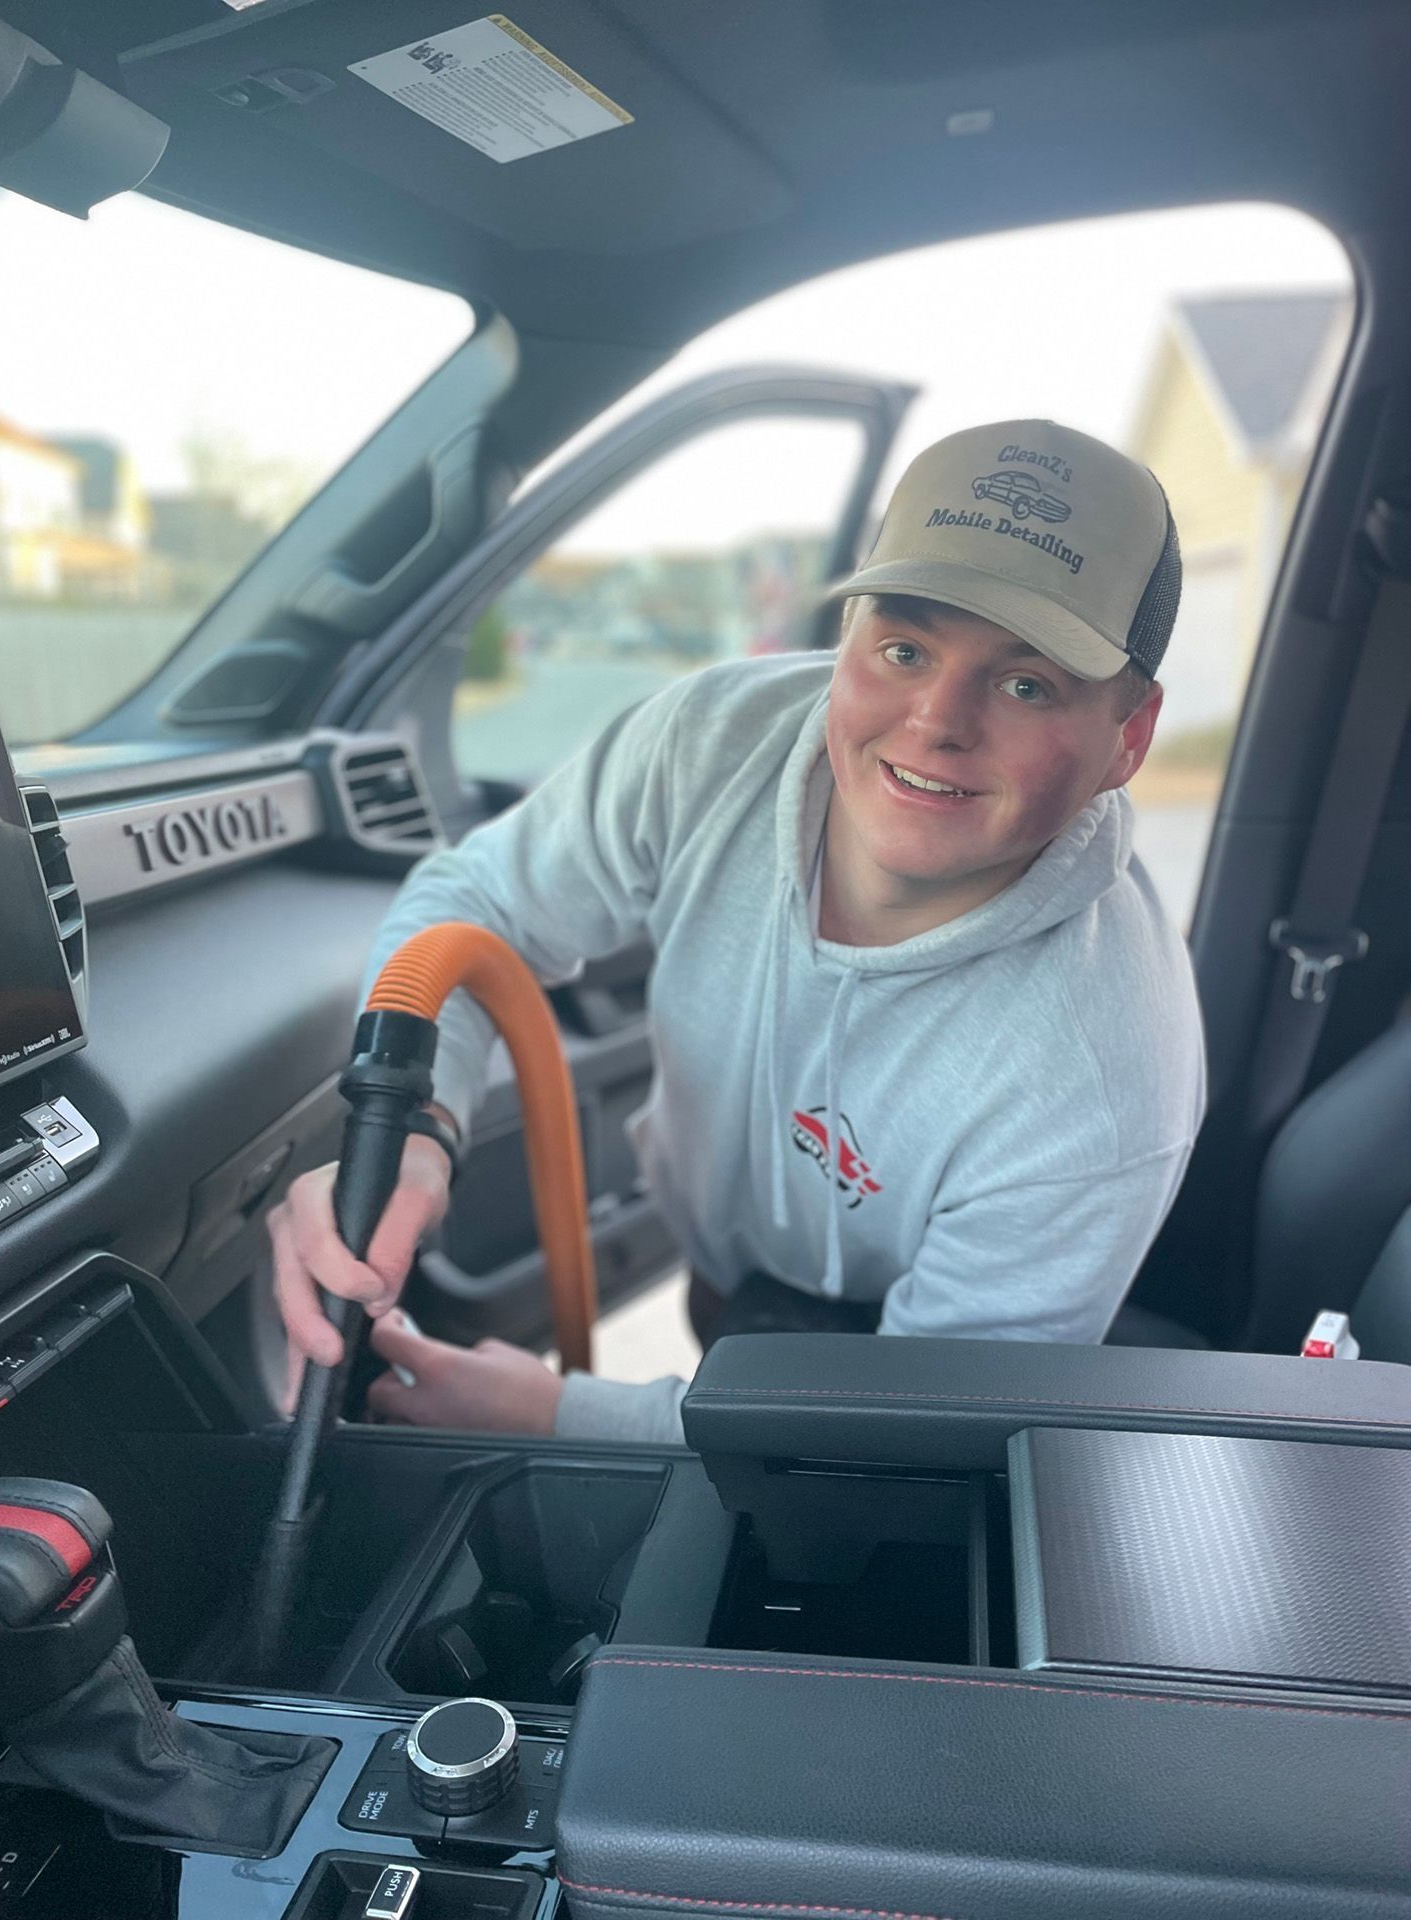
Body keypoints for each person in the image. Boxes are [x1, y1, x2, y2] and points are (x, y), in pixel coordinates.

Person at [270, 419, 1206, 1444]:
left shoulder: (1104, 1075)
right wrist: (417, 1129)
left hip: (922, 1351)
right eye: (903, 646)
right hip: (725, 1267)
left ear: (1131, 735)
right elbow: (477, 900)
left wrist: (559, 1413)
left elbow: (931, 1424)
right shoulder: (710, 741)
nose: (937, 720)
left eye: (1027, 683)